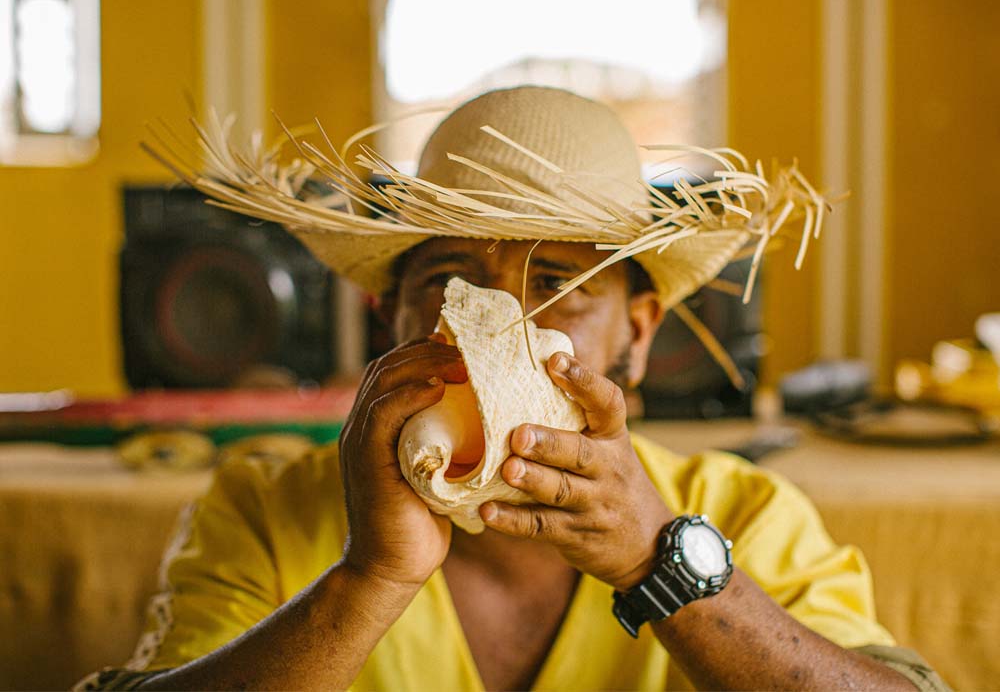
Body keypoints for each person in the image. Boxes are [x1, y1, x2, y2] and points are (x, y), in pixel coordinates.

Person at [78, 86, 946, 691]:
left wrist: (659, 559)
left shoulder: (749, 517)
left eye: (556, 287)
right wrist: (372, 577)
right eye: (452, 279)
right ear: (392, 321)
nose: (494, 330)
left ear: (636, 336)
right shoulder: (265, 513)